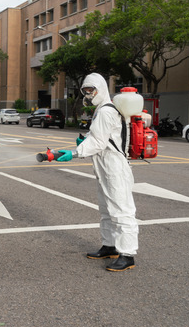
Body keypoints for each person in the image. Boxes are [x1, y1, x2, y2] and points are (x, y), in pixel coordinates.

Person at [54, 73, 139, 272]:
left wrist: (76, 152)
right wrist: (85, 142)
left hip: (114, 167)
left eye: (91, 90)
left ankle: (127, 254)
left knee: (121, 210)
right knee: (106, 209)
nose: (88, 94)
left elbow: (99, 142)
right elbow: (99, 137)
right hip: (104, 166)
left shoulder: (106, 111)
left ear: (100, 88)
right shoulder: (101, 110)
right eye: (85, 91)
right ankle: (110, 245)